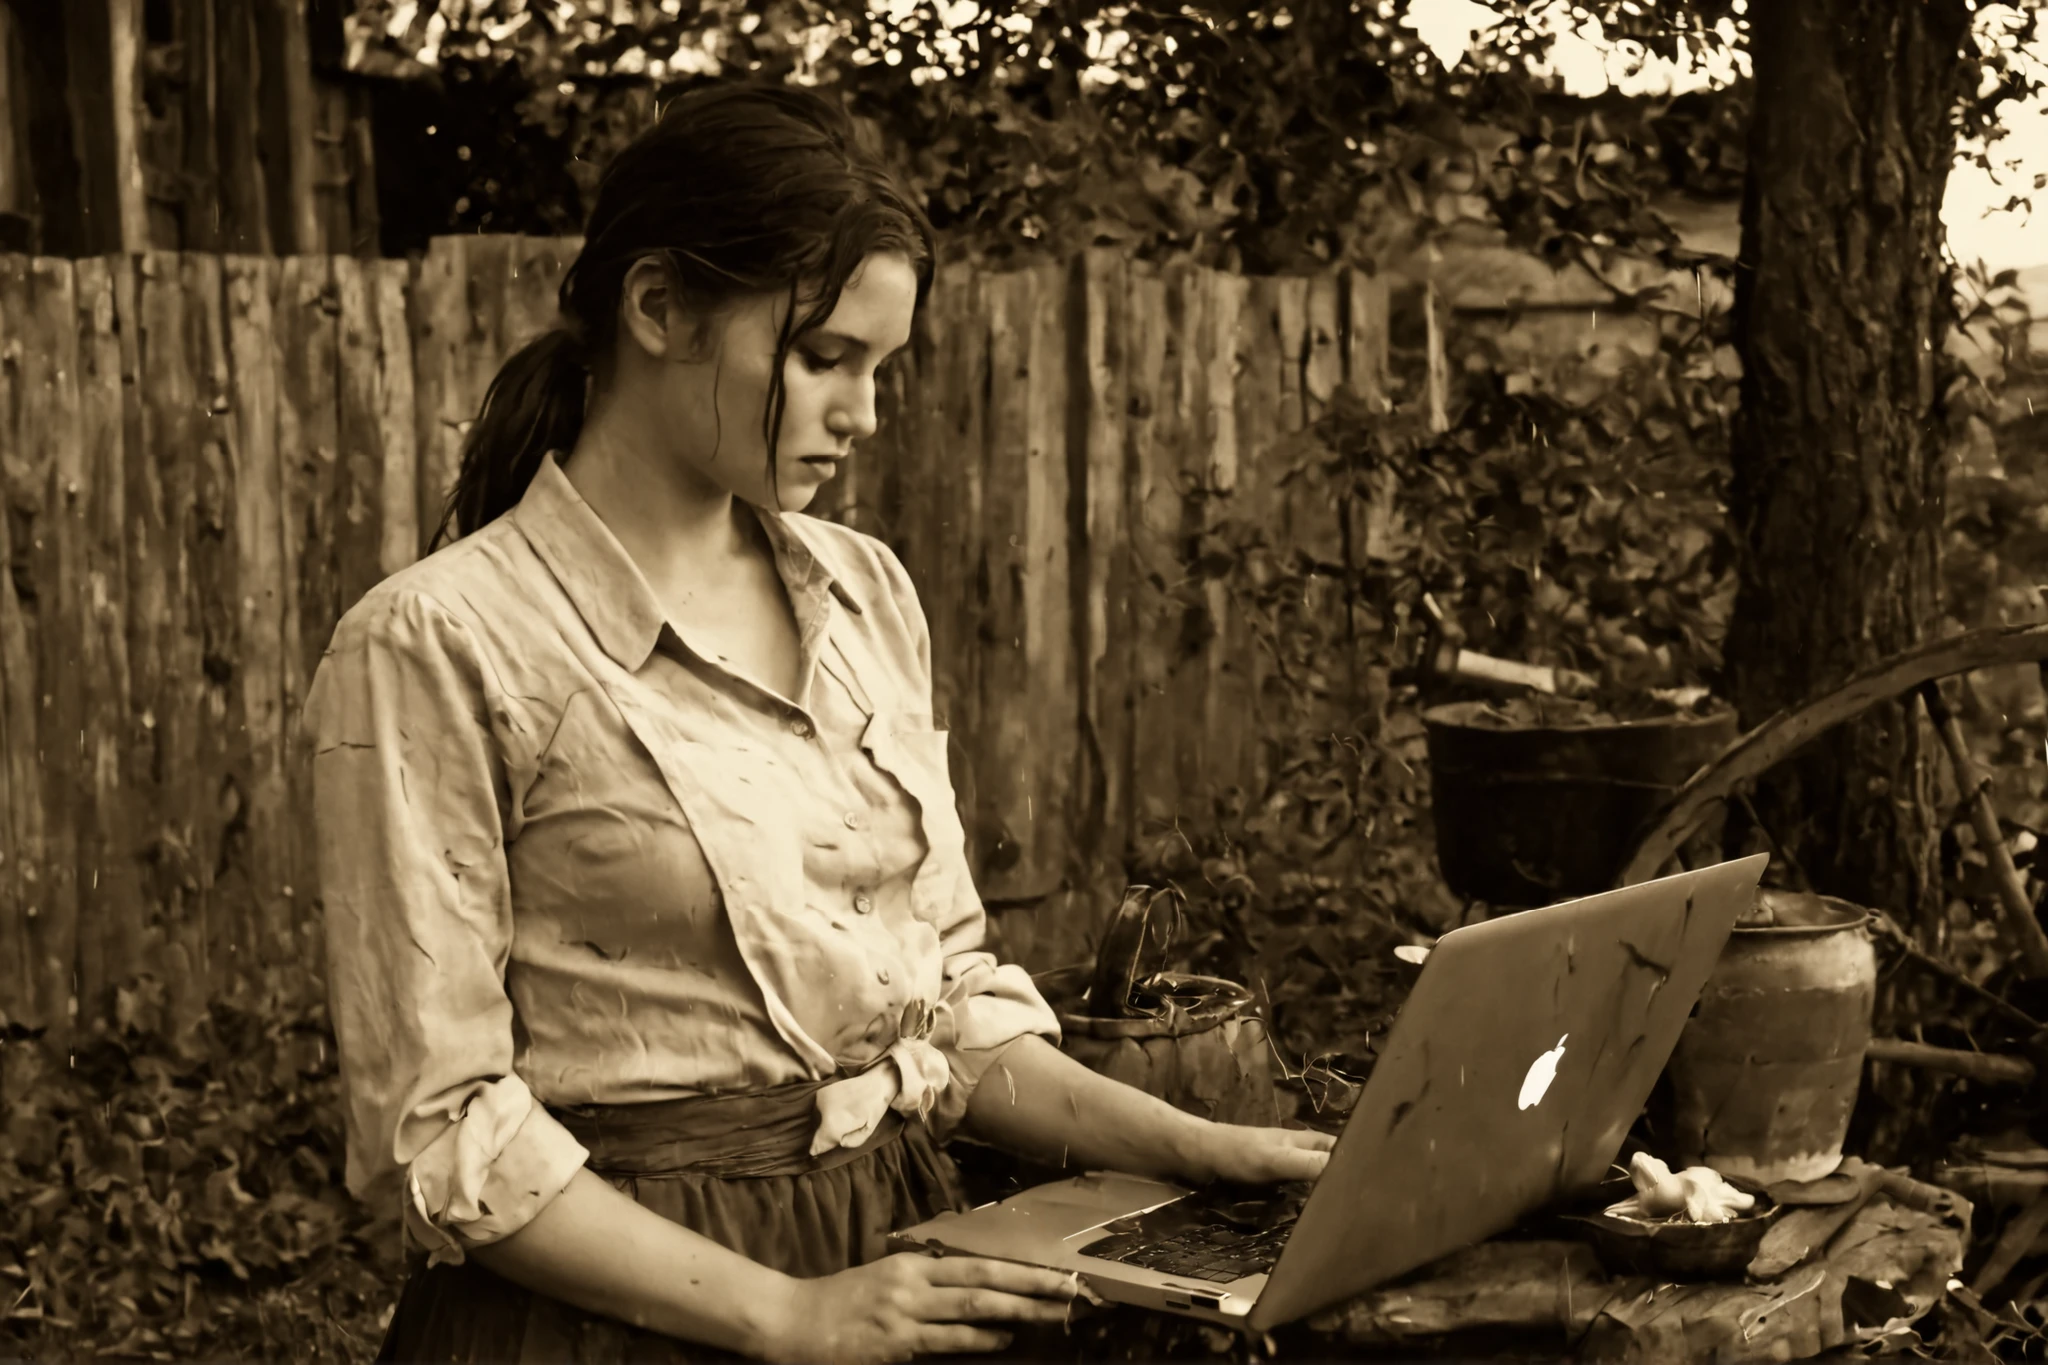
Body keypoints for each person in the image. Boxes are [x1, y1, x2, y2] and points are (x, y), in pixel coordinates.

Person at [305, 81, 1332, 1365]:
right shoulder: (438, 642)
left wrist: (1198, 1148)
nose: (864, 414)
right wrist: (787, 1313)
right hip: (609, 1321)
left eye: (880, 367)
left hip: (894, 1257)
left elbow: (940, 1008)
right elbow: (438, 1127)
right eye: (822, 359)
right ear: (658, 307)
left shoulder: (863, 594)